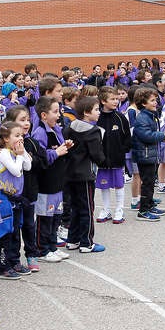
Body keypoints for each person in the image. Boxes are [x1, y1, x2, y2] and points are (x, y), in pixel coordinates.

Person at [62, 95, 106, 253]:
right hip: (85, 175)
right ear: (86, 113)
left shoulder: (69, 127)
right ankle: (87, 242)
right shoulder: (93, 131)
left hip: (69, 173)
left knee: (75, 206)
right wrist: (104, 161)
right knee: (87, 208)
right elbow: (97, 155)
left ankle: (72, 239)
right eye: (96, 109)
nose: (99, 112)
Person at [32, 96, 71, 263]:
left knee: (56, 216)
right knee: (45, 218)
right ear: (43, 115)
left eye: (59, 111)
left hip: (57, 182)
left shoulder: (56, 129)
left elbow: (59, 148)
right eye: (55, 112)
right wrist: (56, 152)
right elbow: (39, 158)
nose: (59, 114)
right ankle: (41, 249)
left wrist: (66, 146)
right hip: (46, 184)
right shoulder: (39, 132)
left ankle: (52, 246)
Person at [0, 121, 33, 277]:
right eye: (16, 136)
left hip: (16, 198)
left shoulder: (17, 152)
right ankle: (3, 266)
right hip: (3, 198)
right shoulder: (3, 153)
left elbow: (28, 166)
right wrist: (20, 155)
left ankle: (14, 261)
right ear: (6, 139)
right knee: (5, 233)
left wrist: (22, 154)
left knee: (16, 231)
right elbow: (16, 171)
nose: (20, 138)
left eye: (21, 135)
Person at [95, 86, 131, 225]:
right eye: (113, 99)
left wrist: (122, 150)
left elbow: (127, 137)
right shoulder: (97, 118)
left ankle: (119, 209)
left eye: (117, 98)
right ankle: (106, 209)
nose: (116, 101)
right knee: (104, 185)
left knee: (118, 185)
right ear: (103, 101)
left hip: (117, 159)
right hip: (102, 160)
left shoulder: (120, 118)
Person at [131, 88, 165, 221]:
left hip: (151, 154)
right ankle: (143, 210)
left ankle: (150, 204)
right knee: (147, 183)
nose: (155, 102)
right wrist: (162, 136)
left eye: (156, 99)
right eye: (152, 100)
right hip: (145, 155)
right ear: (143, 103)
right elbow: (146, 135)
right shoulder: (142, 118)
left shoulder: (151, 115)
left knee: (151, 182)